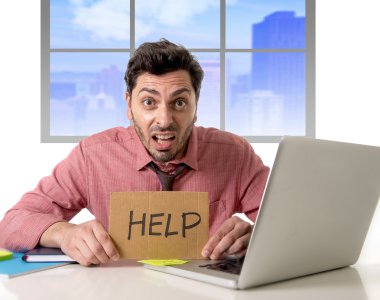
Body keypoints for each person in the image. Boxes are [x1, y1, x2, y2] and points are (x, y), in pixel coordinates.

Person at [0, 39, 269, 266]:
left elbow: (298, 225)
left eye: (179, 102)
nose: (164, 119)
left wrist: (259, 236)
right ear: (129, 105)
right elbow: (11, 224)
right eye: (149, 102)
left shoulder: (235, 155)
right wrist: (63, 234)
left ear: (195, 106)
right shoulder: (93, 156)